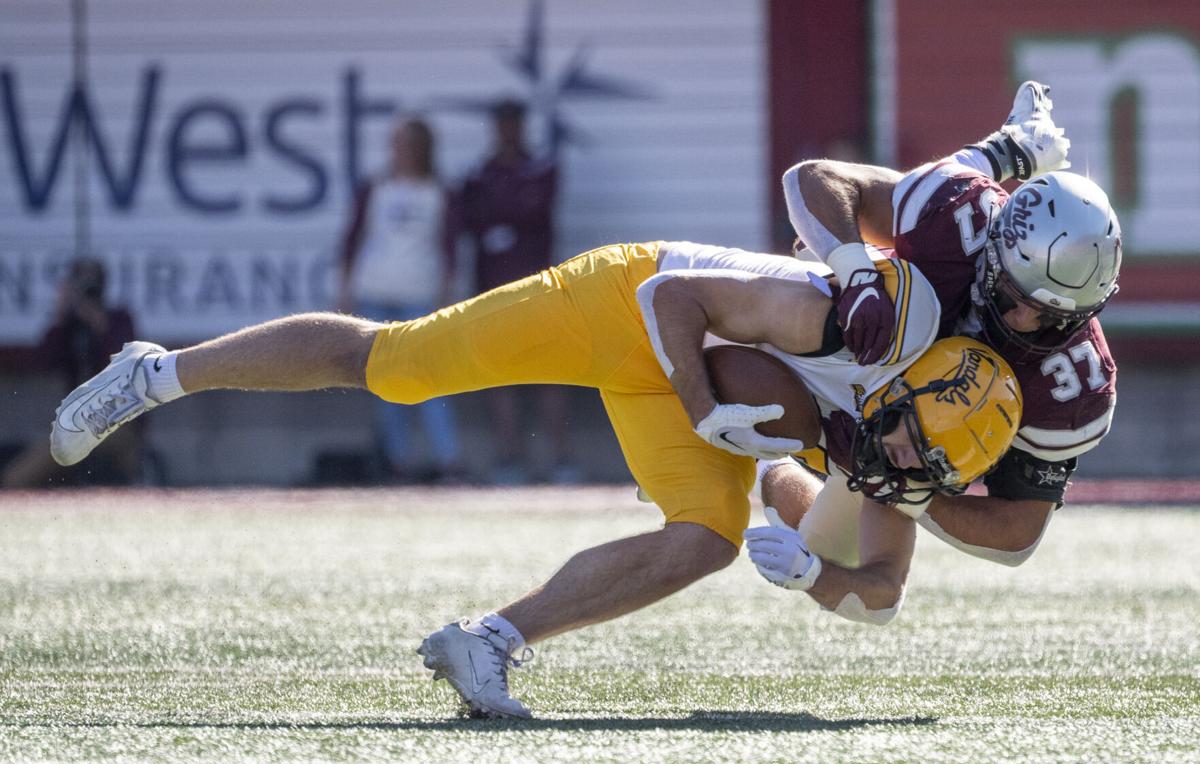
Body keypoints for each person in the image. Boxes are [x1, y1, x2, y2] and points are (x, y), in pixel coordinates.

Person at [48, 235, 1018, 719]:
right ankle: (155, 372)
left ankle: (488, 641)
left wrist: (812, 568)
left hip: (702, 392)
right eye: (906, 444)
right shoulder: (844, 320)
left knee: (702, 542)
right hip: (629, 310)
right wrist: (702, 401)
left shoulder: (919, 443)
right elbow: (668, 294)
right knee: (397, 362)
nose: (902, 466)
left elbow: (880, 591)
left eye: (927, 468)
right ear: (905, 385)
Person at [755, 81, 1120, 581]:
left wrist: (911, 493)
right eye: (1016, 297)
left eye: (1056, 317)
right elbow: (814, 180)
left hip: (923, 430)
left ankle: (1007, 150)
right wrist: (856, 271)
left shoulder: (1072, 381)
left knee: (828, 546)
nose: (1026, 322)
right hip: (894, 333)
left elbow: (1017, 534)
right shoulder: (964, 223)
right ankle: (1006, 151)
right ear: (995, 252)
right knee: (835, 267)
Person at [338, 117, 464, 483]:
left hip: (419, 292)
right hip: (376, 289)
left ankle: (449, 458)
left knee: (429, 379)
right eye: (395, 143)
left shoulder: (440, 190)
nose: (399, 151)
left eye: (406, 144)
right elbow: (353, 237)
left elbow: (450, 244)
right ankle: (399, 461)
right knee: (386, 382)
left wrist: (446, 290)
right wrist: (345, 286)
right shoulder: (374, 187)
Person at [458, 98, 573, 484]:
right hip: (492, 286)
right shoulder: (480, 172)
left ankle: (559, 458)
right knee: (501, 375)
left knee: (552, 372)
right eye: (501, 123)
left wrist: (502, 213)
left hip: (538, 284)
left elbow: (534, 211)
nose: (507, 130)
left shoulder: (541, 168)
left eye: (513, 123)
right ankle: (510, 458)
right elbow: (468, 219)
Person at [3, 258, 142, 488]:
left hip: (119, 421)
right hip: (77, 422)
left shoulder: (118, 320)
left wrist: (99, 324)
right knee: (19, 475)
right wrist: (60, 314)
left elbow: (128, 362)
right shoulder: (69, 326)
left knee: (123, 457)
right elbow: (43, 360)